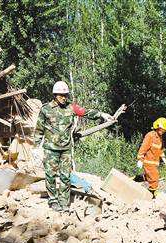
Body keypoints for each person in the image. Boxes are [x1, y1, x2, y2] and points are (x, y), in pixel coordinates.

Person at [33, 81, 114, 212]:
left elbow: (86, 112)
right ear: (55, 95)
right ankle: (53, 201)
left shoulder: (71, 108)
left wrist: (102, 115)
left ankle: (64, 203)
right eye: (61, 95)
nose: (64, 97)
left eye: (65, 95)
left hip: (65, 149)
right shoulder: (45, 109)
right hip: (50, 149)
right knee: (50, 176)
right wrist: (36, 148)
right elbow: (39, 129)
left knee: (65, 176)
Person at [137, 117, 166, 198]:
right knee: (154, 177)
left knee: (149, 177)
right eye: (161, 129)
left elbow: (160, 149)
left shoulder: (160, 138)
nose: (162, 131)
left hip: (155, 163)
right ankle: (152, 194)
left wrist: (163, 158)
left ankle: (135, 179)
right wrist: (140, 159)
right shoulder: (150, 135)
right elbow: (143, 147)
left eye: (164, 130)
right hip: (148, 162)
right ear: (157, 127)